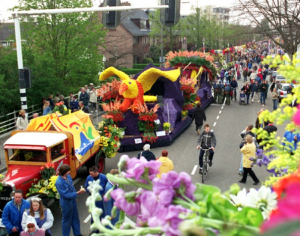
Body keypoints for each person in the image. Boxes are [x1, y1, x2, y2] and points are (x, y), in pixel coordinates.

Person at [55, 164, 83, 236]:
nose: (69, 172)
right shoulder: (59, 182)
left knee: (75, 218)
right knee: (67, 221)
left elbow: (72, 187)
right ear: (63, 172)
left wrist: (75, 197)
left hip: (72, 200)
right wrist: (77, 193)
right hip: (66, 203)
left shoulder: (68, 177)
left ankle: (77, 234)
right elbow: (65, 195)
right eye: (68, 171)